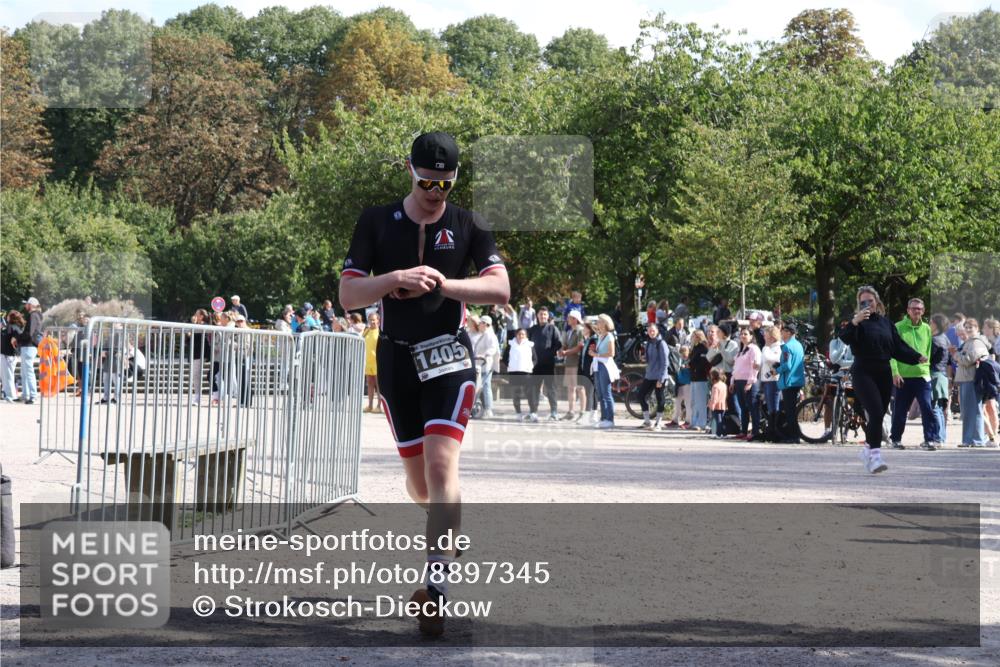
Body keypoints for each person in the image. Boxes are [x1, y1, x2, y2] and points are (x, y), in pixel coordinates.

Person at [338, 131, 509, 636]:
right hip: (396, 362)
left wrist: (442, 281)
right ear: (410, 173)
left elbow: (499, 288)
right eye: (427, 183)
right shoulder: (375, 220)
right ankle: (447, 526)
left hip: (449, 358)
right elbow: (348, 295)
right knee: (420, 486)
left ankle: (435, 590)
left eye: (446, 185)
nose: (436, 194)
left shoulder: (469, 224)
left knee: (441, 468)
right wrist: (394, 280)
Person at [839, 286, 926, 473]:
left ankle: (867, 450)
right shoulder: (856, 324)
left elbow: (897, 347)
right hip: (863, 371)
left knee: (880, 414)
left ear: (877, 302)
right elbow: (845, 338)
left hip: (884, 371)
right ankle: (875, 457)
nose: (867, 304)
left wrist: (915, 356)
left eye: (870, 301)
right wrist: (855, 322)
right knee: (876, 412)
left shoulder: (886, 323)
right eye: (863, 301)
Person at [888, 298, 939, 451]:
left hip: (922, 375)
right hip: (903, 376)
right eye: (913, 308)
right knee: (900, 410)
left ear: (923, 311)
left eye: (919, 309)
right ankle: (895, 439)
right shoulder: (898, 327)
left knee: (926, 407)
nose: (916, 311)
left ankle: (929, 440)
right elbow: (892, 353)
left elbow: (928, 351)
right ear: (908, 310)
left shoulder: (927, 329)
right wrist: (895, 372)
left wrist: (927, 369)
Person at [953, 318, 990, 447]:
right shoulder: (969, 342)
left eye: (971, 327)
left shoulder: (976, 343)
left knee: (973, 411)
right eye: (967, 327)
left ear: (977, 329)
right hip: (966, 379)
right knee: (969, 411)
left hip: (972, 380)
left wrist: (956, 355)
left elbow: (968, 360)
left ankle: (975, 440)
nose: (968, 329)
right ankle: (971, 439)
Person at [528, 307, 562, 421]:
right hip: (534, 365)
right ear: (537, 316)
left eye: (545, 315)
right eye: (541, 314)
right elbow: (526, 344)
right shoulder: (532, 329)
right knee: (534, 389)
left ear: (548, 316)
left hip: (548, 364)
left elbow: (558, 343)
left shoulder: (553, 329)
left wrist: (550, 354)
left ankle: (554, 412)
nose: (543, 316)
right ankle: (533, 412)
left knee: (551, 388)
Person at [636, 321, 669, 430]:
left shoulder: (661, 343)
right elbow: (649, 359)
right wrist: (644, 359)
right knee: (641, 395)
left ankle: (658, 423)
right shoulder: (649, 343)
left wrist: (661, 378)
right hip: (649, 375)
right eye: (649, 331)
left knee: (660, 399)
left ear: (657, 331)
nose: (651, 332)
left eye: (653, 330)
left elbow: (665, 363)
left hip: (659, 376)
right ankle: (647, 421)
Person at [776, 323, 806, 444]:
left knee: (790, 411)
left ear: (788, 332)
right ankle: (794, 434)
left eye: (782, 331)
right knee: (791, 409)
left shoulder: (787, 347)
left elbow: (787, 365)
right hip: (797, 380)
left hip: (789, 382)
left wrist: (776, 370)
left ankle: (793, 436)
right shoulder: (799, 345)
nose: (781, 333)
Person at [731, 327, 761, 440]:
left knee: (753, 407)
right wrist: (732, 381)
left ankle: (755, 432)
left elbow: (755, 367)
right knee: (743, 408)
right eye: (741, 334)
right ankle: (743, 431)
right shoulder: (741, 350)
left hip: (749, 381)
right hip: (738, 381)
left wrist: (750, 382)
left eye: (746, 334)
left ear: (751, 336)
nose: (743, 336)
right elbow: (736, 367)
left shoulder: (753, 349)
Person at [590, 314, 619, 428]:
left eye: (600, 321)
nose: (598, 323)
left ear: (605, 323)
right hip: (598, 365)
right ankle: (603, 418)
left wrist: (596, 354)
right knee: (600, 394)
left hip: (605, 366)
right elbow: (592, 326)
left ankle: (610, 419)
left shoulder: (609, 336)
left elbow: (612, 353)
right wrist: (594, 351)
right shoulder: (601, 336)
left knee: (606, 393)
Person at [929, 314, 953, 446]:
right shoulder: (946, 339)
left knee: (934, 407)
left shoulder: (934, 340)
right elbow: (949, 361)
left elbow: (928, 359)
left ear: (935, 324)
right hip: (942, 376)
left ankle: (938, 438)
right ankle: (941, 437)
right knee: (939, 407)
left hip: (934, 375)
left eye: (930, 322)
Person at [557, 309, 585, 420]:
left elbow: (580, 347)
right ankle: (571, 411)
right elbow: (565, 345)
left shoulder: (580, 331)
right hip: (569, 362)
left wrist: (565, 352)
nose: (567, 319)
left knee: (579, 388)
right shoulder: (569, 331)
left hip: (577, 362)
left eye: (569, 317)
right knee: (570, 388)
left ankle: (582, 412)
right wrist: (562, 350)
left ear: (575, 319)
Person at [505, 328, 537, 420]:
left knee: (530, 394)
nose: (521, 336)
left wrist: (530, 366)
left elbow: (535, 359)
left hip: (526, 372)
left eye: (523, 334)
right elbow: (505, 358)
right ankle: (518, 413)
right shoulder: (511, 345)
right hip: (514, 373)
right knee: (516, 394)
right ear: (516, 335)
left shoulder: (530, 345)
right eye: (519, 334)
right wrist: (511, 365)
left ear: (526, 336)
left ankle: (533, 412)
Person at [757, 325, 783, 438]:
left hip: (773, 380)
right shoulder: (769, 347)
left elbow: (772, 359)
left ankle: (774, 430)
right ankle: (771, 429)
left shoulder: (777, 347)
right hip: (766, 380)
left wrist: (766, 348)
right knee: (769, 406)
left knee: (774, 406)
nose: (764, 337)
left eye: (766, 335)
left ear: (772, 337)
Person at [18, 297, 43, 404]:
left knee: (28, 372)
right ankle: (26, 394)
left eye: (27, 304)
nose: (25, 306)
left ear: (31, 305)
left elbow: (30, 333)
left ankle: (33, 395)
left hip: (29, 345)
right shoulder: (35, 315)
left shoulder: (33, 315)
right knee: (25, 372)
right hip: (28, 346)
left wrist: (17, 337)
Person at [473, 315, 499, 418]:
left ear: (486, 324)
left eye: (481, 323)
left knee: (486, 387)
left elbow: (493, 349)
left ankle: (488, 409)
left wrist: (484, 355)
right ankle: (484, 408)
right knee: (481, 387)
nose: (479, 324)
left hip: (486, 364)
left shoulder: (490, 335)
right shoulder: (483, 335)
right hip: (480, 365)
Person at [688, 330, 711, 431]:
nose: (693, 338)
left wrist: (693, 367)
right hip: (693, 377)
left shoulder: (702, 348)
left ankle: (701, 423)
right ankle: (694, 422)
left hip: (701, 378)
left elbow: (702, 363)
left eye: (694, 336)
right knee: (693, 401)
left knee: (700, 402)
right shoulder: (695, 348)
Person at [577, 322, 598, 424]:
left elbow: (592, 356)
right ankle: (593, 415)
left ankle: (588, 415)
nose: (582, 329)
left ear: (589, 329)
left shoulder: (593, 340)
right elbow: (582, 357)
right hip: (585, 370)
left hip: (591, 370)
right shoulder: (586, 340)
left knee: (590, 393)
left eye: (584, 328)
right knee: (590, 393)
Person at [2, 311, 25, 402]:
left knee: (7, 376)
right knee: (8, 376)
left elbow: (9, 336)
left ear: (11, 317)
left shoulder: (11, 326)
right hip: (10, 355)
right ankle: (11, 395)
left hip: (7, 354)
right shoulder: (15, 326)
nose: (7, 317)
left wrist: (13, 339)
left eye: (8, 316)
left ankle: (10, 396)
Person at [188, 309, 210, 405]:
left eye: (196, 314)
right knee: (195, 375)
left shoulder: (204, 326)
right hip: (194, 353)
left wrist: (193, 324)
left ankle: (197, 397)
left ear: (201, 316)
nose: (194, 316)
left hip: (200, 353)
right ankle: (197, 395)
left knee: (196, 374)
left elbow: (196, 334)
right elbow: (188, 338)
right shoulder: (195, 325)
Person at [362, 312, 381, 413]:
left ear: (378, 320)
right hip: (368, 361)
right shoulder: (367, 331)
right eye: (370, 320)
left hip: (377, 362)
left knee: (379, 385)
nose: (372, 322)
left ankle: (379, 406)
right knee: (369, 383)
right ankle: (369, 405)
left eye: (374, 319)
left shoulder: (380, 332)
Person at [672, 345, 692, 428]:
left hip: (687, 383)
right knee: (677, 402)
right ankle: (675, 420)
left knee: (688, 403)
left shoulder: (690, 360)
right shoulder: (680, 360)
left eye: (685, 351)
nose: (683, 354)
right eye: (682, 352)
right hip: (679, 383)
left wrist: (686, 367)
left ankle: (688, 421)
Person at [708, 369, 728, 438]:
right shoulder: (724, 385)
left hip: (716, 406)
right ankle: (724, 433)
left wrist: (712, 406)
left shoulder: (715, 386)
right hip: (723, 405)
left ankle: (718, 434)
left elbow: (714, 398)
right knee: (722, 420)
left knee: (718, 421)